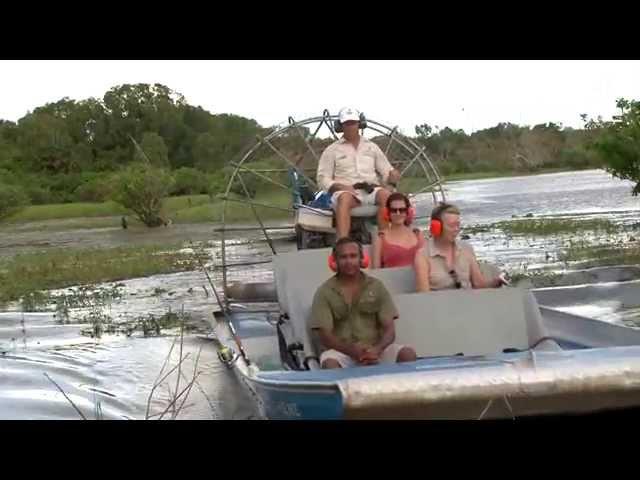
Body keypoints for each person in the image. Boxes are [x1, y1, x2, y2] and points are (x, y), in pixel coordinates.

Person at [309, 237, 417, 369]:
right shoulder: (324, 292)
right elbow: (325, 337)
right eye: (343, 257)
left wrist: (376, 350)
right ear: (334, 261)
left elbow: (390, 330)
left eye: (353, 256)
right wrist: (352, 352)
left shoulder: (376, 286)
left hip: (376, 350)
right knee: (330, 363)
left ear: (362, 259)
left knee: (407, 354)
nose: (349, 261)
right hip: (342, 353)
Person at [316, 107, 401, 239]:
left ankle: (386, 240)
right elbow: (322, 178)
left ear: (359, 124)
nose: (350, 127)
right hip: (345, 192)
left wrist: (392, 176)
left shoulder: (371, 147)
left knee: (386, 196)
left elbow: (386, 171)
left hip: (370, 190)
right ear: (340, 126)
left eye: (353, 123)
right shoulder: (331, 150)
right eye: (347, 123)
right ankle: (342, 243)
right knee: (344, 199)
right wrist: (341, 187)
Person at [414, 202, 506, 291]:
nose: (456, 230)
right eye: (451, 225)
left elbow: (478, 284)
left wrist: (496, 283)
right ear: (436, 227)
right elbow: (424, 295)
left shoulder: (466, 249)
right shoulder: (423, 255)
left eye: (458, 225)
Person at [372, 192, 425, 269]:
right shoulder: (380, 237)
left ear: (408, 212)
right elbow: (376, 270)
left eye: (402, 210)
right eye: (393, 210)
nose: (398, 213)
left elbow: (427, 262)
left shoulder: (417, 233)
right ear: (387, 212)